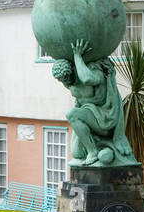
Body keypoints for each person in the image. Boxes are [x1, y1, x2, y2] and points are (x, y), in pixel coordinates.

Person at [51, 39, 136, 167]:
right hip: (88, 117)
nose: (66, 82)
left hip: (104, 118)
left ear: (72, 70)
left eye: (67, 77)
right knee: (77, 153)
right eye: (62, 80)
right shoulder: (71, 84)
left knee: (71, 114)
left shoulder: (97, 74)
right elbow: (79, 103)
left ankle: (93, 152)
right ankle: (100, 149)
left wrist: (77, 56)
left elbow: (86, 78)